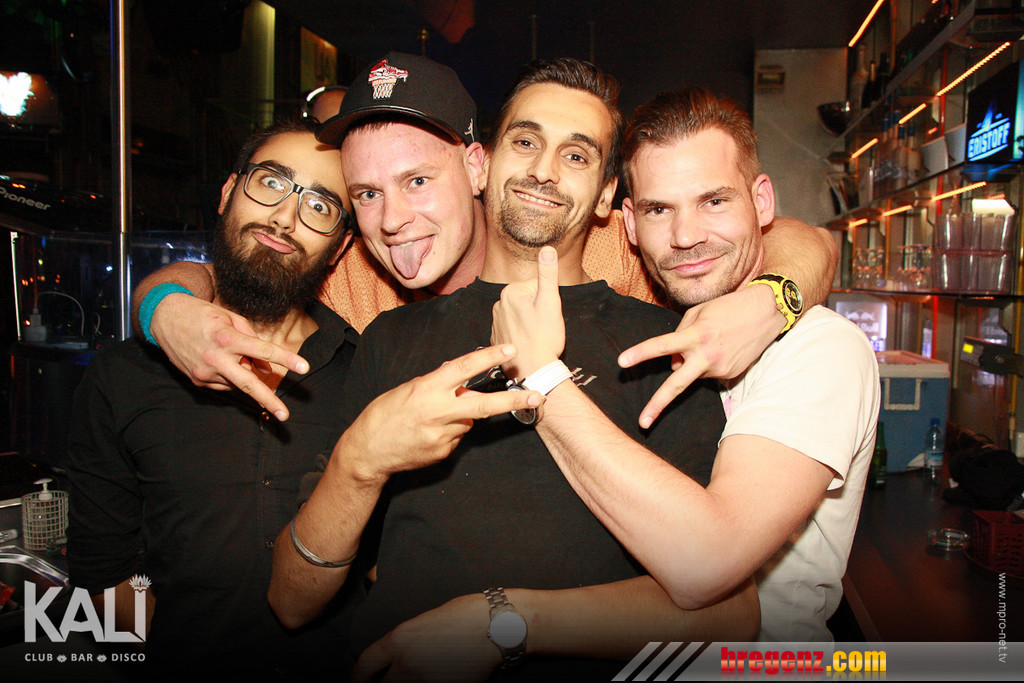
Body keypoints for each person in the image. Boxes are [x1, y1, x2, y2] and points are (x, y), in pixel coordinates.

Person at [267, 59, 756, 680]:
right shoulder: (389, 337)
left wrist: (502, 624)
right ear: (484, 163)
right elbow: (291, 601)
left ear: (608, 195)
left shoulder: (665, 344)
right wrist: (357, 464)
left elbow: (729, 613)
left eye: (576, 155)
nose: (543, 170)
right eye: (525, 142)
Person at [131, 51, 839, 423]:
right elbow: (224, 278)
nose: (394, 219)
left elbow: (804, 241)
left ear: (476, 167)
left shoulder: (593, 250)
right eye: (366, 193)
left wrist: (767, 302)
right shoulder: (359, 270)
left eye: (418, 181)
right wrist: (164, 309)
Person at [492, 87, 880, 641]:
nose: (687, 236)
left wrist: (541, 378)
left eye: (714, 201)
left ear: (762, 202)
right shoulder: (645, 313)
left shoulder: (821, 348)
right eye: (659, 209)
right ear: (629, 223)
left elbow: (707, 564)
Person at [65, 120, 364, 676]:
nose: (285, 217)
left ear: (340, 245)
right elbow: (103, 574)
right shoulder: (122, 376)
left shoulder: (367, 374)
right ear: (228, 192)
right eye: (271, 182)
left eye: (320, 206)